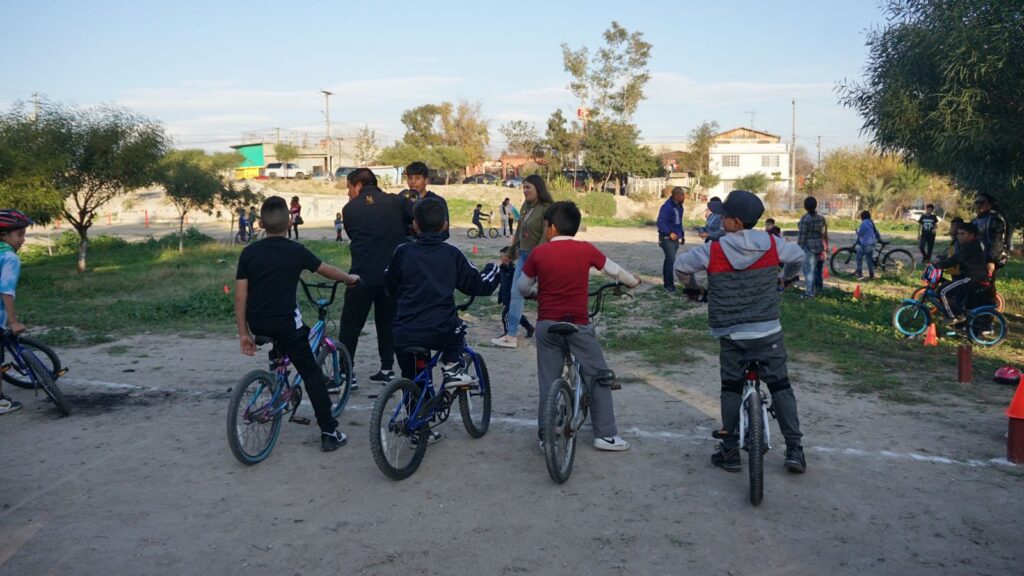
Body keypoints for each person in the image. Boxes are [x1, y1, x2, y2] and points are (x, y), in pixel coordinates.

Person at [674, 190, 807, 474]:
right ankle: (795, 449)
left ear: (735, 221)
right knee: (781, 385)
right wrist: (787, 280)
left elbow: (681, 265)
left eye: (724, 215)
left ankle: (730, 449)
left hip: (731, 332)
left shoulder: (714, 250)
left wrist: (693, 288)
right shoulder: (772, 244)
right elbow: (798, 256)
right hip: (767, 330)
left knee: (731, 387)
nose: (720, 219)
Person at [234, 197, 360, 451]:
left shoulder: (249, 253)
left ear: (259, 223)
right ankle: (329, 432)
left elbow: (240, 296)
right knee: (311, 373)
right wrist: (349, 278)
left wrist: (244, 334)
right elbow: (327, 270)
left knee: (281, 343)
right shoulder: (295, 251)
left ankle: (278, 375)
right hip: (286, 325)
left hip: (258, 323)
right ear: (290, 222)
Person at [518, 201, 640, 451]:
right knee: (597, 374)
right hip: (578, 324)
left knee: (548, 379)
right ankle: (605, 434)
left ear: (551, 228)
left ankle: (546, 434)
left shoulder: (539, 253)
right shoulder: (586, 250)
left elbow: (522, 287)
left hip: (547, 325)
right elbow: (614, 270)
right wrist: (632, 281)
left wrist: (533, 293)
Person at [386, 197, 500, 389]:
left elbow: (390, 283)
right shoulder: (451, 254)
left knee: (413, 380)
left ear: (414, 224)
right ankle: (451, 367)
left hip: (405, 330)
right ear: (445, 225)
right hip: (440, 329)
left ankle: (417, 412)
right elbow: (478, 285)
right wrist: (495, 269)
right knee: (458, 330)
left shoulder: (402, 252)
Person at [339, 168, 408, 386]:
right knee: (387, 322)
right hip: (391, 276)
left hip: (362, 275)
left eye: (349, 188)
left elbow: (352, 233)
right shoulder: (396, 202)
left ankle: (346, 372)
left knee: (351, 325)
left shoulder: (350, 209)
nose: (348, 193)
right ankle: (387, 368)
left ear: (358, 185)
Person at [491, 174, 554, 348]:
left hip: (541, 257)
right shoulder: (526, 205)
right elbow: (519, 229)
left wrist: (537, 256)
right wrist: (511, 252)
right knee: (515, 293)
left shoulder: (547, 208)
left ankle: (549, 335)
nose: (525, 191)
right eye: (524, 187)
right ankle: (511, 336)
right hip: (524, 256)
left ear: (538, 189)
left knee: (547, 297)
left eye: (528, 188)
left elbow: (546, 235)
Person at [0, 209, 32, 415]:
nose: (23, 239)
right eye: (19, 234)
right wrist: (13, 321)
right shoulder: (10, 258)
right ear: (4, 235)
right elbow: (6, 291)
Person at [932, 222, 989, 320]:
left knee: (943, 291)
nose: (959, 236)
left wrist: (938, 266)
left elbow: (956, 259)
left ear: (972, 235)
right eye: (958, 233)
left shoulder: (971, 246)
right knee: (948, 291)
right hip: (969, 276)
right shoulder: (969, 244)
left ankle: (953, 317)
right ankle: (959, 316)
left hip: (972, 278)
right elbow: (952, 257)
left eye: (963, 234)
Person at [972, 192, 1010, 297]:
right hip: (978, 257)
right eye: (977, 202)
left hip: (991, 258)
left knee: (986, 286)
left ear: (990, 204)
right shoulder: (976, 220)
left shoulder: (995, 219)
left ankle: (988, 310)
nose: (979, 205)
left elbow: (997, 242)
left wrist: (991, 261)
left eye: (982, 202)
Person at [401, 161, 449, 239]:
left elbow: (445, 233)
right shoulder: (402, 199)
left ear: (426, 180)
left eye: (417, 178)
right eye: (410, 178)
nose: (412, 182)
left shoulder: (438, 201)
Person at [498, 246, 534, 338]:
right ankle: (529, 327)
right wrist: (500, 297)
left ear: (510, 258)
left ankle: (508, 334)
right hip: (506, 297)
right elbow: (502, 284)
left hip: (513, 297)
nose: (502, 259)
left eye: (504, 256)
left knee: (506, 316)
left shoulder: (514, 270)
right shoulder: (502, 268)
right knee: (516, 314)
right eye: (501, 256)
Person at [656, 186, 687, 293]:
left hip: (676, 238)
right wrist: (669, 233)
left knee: (670, 260)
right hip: (666, 238)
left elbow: (679, 223)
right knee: (671, 260)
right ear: (676, 196)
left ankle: (667, 283)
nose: (684, 197)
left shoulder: (680, 207)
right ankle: (669, 285)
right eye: (682, 195)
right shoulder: (667, 207)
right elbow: (660, 223)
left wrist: (682, 235)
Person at [797, 196, 828, 298]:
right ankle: (818, 290)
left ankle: (809, 293)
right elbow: (824, 234)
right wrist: (825, 247)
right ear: (816, 206)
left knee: (809, 271)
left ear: (805, 207)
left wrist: (798, 248)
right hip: (819, 246)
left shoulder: (805, 219)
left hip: (808, 247)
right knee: (817, 269)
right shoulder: (821, 218)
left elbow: (802, 236)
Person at [855, 210, 881, 280]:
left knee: (860, 258)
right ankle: (870, 275)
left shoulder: (864, 223)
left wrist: (856, 231)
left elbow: (860, 233)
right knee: (867, 259)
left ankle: (861, 274)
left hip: (866, 244)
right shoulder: (871, 222)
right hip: (871, 243)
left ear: (862, 217)